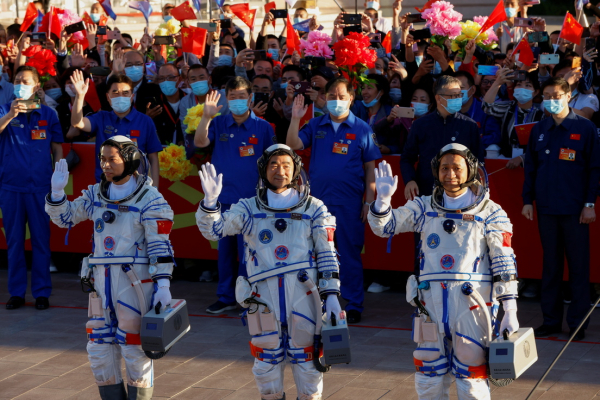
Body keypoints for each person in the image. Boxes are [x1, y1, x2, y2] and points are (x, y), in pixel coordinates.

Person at [368, 145, 520, 399]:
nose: (450, 174)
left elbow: (504, 263)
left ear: (470, 170)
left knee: (471, 375)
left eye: (457, 168)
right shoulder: (424, 208)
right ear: (436, 172)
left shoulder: (490, 211)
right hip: (431, 307)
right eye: (444, 168)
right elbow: (385, 227)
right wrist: (383, 202)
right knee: (429, 375)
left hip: (472, 306)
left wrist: (510, 309)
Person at [195, 144, 342, 400]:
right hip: (264, 300)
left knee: (308, 370)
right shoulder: (248, 208)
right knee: (266, 370)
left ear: (295, 169)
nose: (280, 170)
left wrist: (331, 295)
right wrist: (210, 203)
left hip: (304, 299)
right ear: (263, 169)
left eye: (286, 165)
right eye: (274, 164)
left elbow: (327, 253)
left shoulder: (313, 208)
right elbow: (215, 231)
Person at [45, 136, 175, 399]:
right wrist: (58, 193)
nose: (105, 164)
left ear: (129, 160)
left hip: (135, 283)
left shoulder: (150, 199)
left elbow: (160, 247)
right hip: (101, 283)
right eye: (102, 159)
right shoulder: (95, 193)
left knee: (134, 349)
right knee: (99, 349)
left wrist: (163, 285)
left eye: (111, 159)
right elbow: (65, 218)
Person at [286, 77, 382, 323]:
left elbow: (371, 168)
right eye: (331, 96)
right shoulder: (316, 124)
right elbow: (293, 144)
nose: (336, 101)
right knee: (316, 253)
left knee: (349, 254)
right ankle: (316, 300)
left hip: (349, 203)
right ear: (325, 99)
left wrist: (368, 201)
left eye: (341, 96)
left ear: (351, 98)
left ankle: (353, 303)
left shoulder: (362, 128)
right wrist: (296, 117)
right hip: (317, 203)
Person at [522, 77, 600, 342]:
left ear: (568, 96)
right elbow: (530, 168)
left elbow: (594, 170)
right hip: (546, 209)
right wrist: (526, 201)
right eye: (546, 95)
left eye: (556, 95)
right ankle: (551, 321)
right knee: (551, 267)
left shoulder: (586, 129)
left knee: (578, 268)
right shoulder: (539, 130)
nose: (551, 100)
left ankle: (578, 324)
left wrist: (590, 204)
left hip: (576, 210)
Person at [194, 76, 275, 314]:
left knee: (249, 253)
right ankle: (226, 296)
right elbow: (200, 142)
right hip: (223, 200)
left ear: (250, 98)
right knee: (225, 253)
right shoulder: (218, 124)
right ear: (226, 100)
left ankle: (248, 297)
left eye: (242, 96)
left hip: (252, 201)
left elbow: (272, 164)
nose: (237, 101)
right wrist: (206, 116)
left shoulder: (263, 127)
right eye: (232, 97)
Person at [0, 66, 63, 310]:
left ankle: (41, 292)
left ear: (37, 87)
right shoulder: (5, 109)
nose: (19, 85)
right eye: (16, 81)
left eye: (25, 81)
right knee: (14, 241)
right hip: (11, 188)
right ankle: (16, 292)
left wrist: (57, 178)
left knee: (40, 241)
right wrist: (10, 116)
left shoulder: (48, 114)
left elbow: (57, 148)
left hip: (40, 188)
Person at [69, 70, 162, 186]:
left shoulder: (145, 121)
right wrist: (79, 96)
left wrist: (155, 188)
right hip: (106, 186)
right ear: (108, 97)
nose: (120, 96)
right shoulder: (102, 118)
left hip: (137, 187)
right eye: (115, 92)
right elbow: (77, 123)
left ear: (132, 97)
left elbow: (153, 157)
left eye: (125, 92)